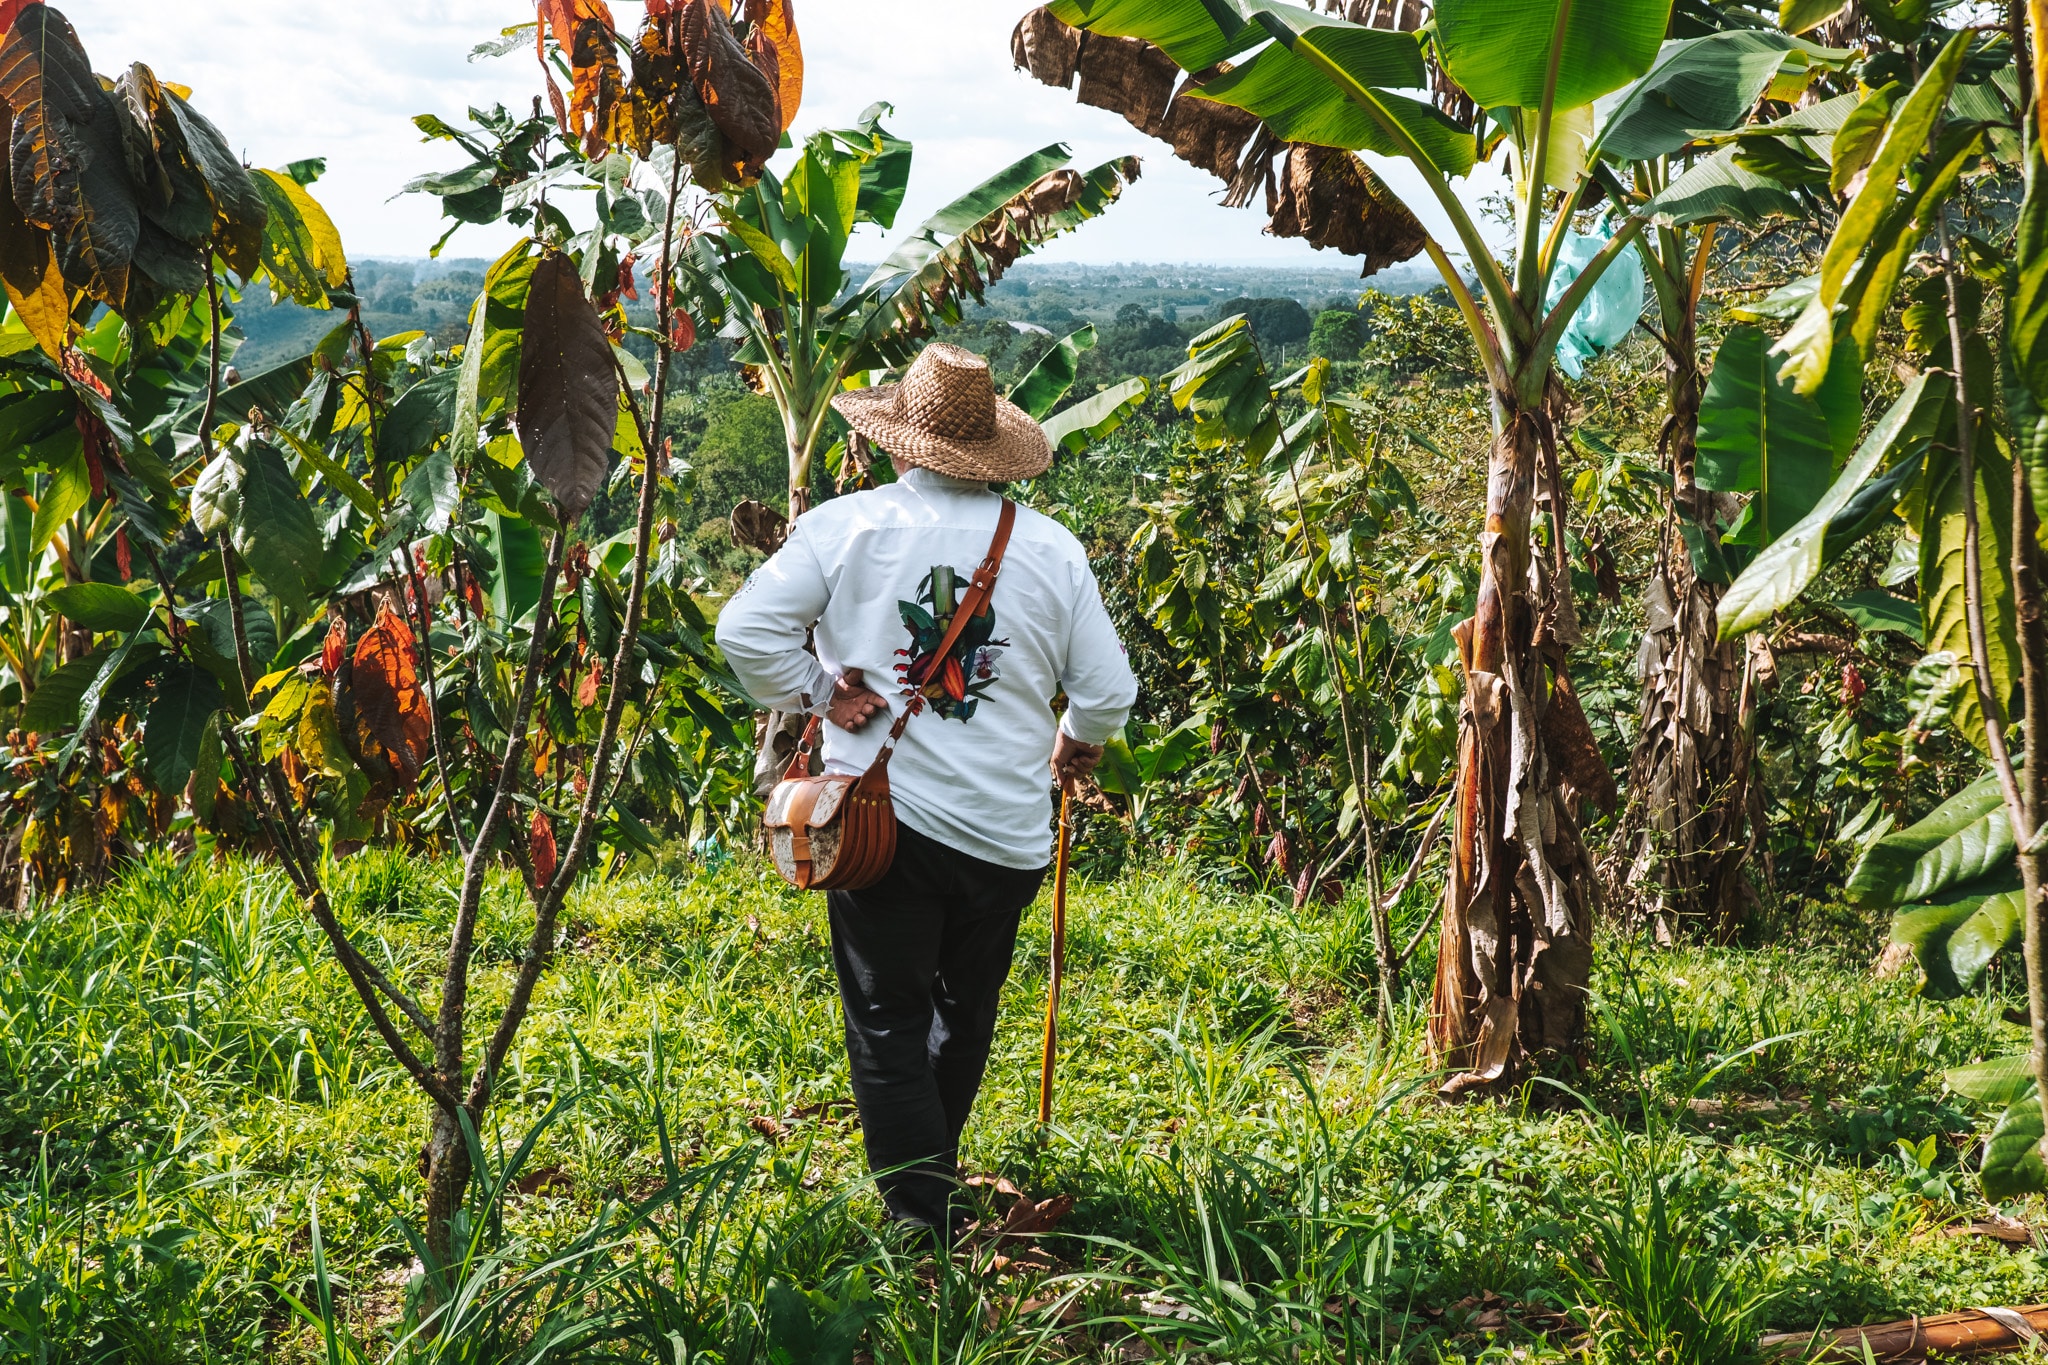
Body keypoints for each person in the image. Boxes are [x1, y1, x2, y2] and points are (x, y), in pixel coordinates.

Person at [716, 342, 1138, 1245]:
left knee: (886, 1021)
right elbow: (1107, 690)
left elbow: (744, 631)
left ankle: (918, 1223)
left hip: (882, 829)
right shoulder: (1052, 549)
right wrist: (1074, 744)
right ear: (990, 453)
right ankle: (931, 1185)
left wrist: (827, 693)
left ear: (899, 443)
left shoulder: (846, 526)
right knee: (963, 1012)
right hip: (1006, 837)